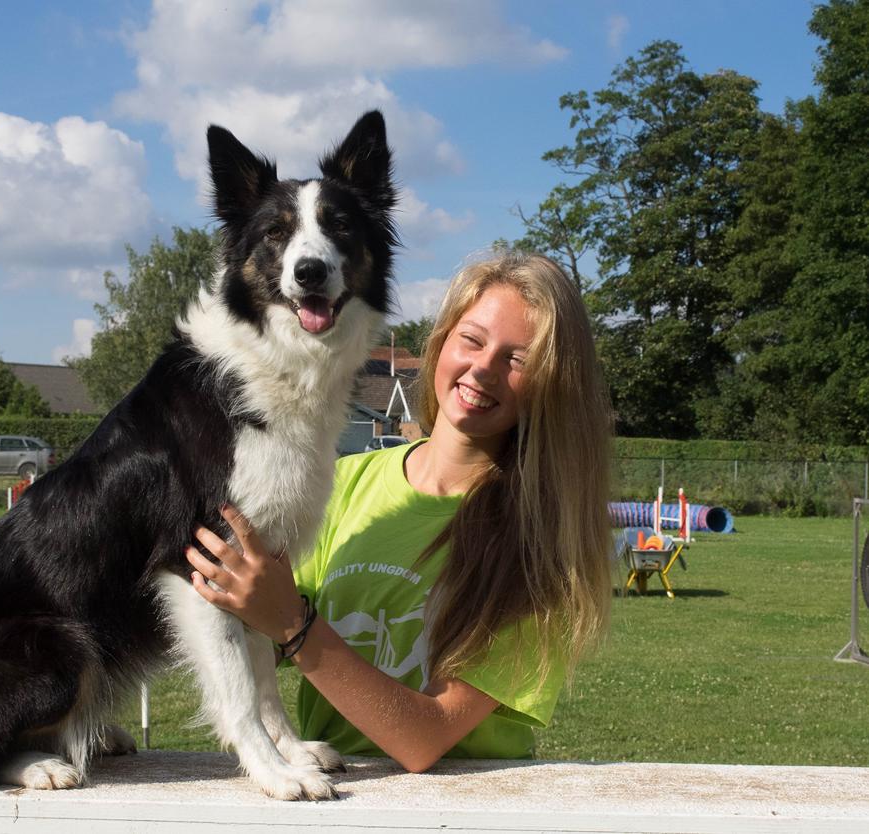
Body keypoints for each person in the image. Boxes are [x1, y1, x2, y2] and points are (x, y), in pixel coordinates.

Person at [185, 251, 612, 772]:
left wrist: (292, 624)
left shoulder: (542, 547)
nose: (483, 369)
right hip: (340, 800)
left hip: (467, 812)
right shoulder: (345, 483)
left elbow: (423, 739)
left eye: (517, 360)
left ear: (554, 383)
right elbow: (261, 631)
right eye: (472, 340)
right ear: (442, 343)